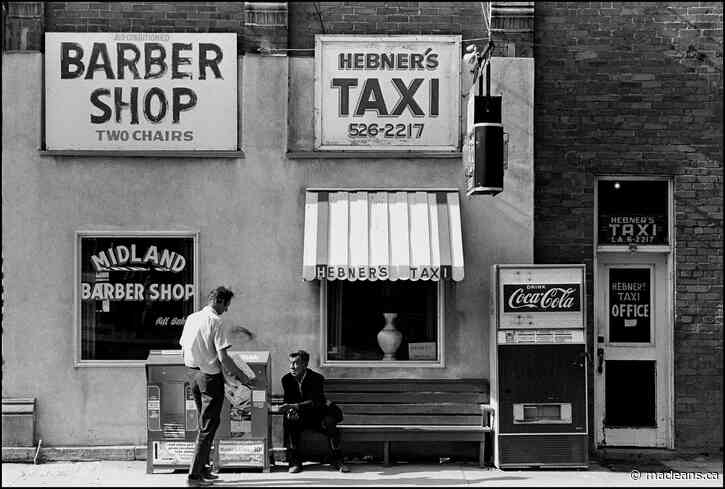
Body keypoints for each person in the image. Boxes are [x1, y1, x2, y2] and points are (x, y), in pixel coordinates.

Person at [180, 286, 255, 486]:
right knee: (208, 426)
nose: (227, 309)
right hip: (209, 377)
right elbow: (224, 358)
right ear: (220, 301)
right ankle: (194, 476)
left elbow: (184, 348)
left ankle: (203, 470)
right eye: (227, 305)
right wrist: (241, 377)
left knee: (203, 423)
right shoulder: (216, 321)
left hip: (192, 373)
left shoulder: (191, 318)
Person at [280, 350, 349, 473]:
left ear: (305, 364)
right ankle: (295, 461)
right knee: (289, 421)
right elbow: (288, 401)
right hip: (300, 417)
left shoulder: (316, 378)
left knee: (329, 422)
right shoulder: (286, 379)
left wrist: (295, 406)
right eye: (290, 363)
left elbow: (315, 402)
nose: (292, 367)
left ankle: (337, 460)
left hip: (316, 416)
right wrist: (291, 410)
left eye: (296, 363)